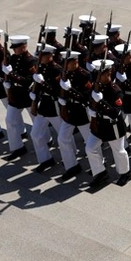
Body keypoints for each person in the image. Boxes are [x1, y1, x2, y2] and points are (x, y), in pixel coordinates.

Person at [85, 59, 131, 188]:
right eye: (100, 75)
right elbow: (89, 100)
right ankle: (101, 173)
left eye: (105, 75)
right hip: (99, 124)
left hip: (113, 126)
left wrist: (101, 102)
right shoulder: (96, 87)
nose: (103, 77)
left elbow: (115, 112)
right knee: (90, 148)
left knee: (119, 150)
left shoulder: (115, 90)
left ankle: (126, 173)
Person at [56, 51, 92, 182]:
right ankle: (71, 165)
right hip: (69, 111)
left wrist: (70, 90)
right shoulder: (65, 74)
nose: (65, 66)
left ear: (75, 62)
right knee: (62, 138)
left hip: (81, 112)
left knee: (90, 142)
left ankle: (99, 165)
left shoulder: (85, 75)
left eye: (68, 63)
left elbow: (86, 97)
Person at [2, 35, 37, 160]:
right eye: (13, 48)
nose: (14, 50)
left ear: (24, 46)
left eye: (16, 48)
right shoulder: (13, 58)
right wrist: (6, 80)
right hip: (15, 94)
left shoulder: (31, 61)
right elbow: (8, 73)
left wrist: (11, 74)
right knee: (10, 121)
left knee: (36, 121)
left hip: (26, 95)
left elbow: (28, 81)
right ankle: (17, 147)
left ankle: (47, 140)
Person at [29, 44, 62, 173]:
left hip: (54, 107)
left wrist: (43, 83)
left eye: (42, 56)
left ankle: (71, 158)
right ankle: (45, 159)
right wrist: (34, 92)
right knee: (35, 134)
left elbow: (56, 91)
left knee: (64, 137)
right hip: (43, 106)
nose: (40, 58)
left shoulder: (57, 70)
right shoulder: (40, 68)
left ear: (49, 56)